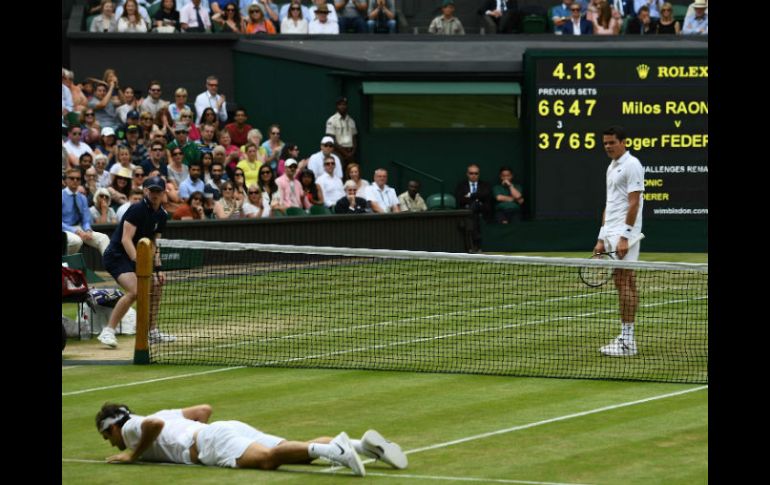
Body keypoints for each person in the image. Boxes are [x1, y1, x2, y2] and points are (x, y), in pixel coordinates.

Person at [95, 402, 408, 475]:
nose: (110, 443)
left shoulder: (133, 428)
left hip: (211, 442)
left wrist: (131, 456)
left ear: (113, 427)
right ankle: (359, 445)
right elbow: (204, 409)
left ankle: (337, 450)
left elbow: (153, 425)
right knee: (288, 450)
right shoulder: (167, 413)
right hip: (223, 430)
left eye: (106, 436)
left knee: (268, 461)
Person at [97, 176, 176, 348]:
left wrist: (158, 268)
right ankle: (108, 331)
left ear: (163, 193)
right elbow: (126, 239)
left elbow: (154, 243)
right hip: (117, 255)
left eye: (158, 191)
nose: (155, 194)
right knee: (135, 291)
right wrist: (140, 263)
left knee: (157, 283)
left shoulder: (162, 215)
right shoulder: (137, 210)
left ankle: (152, 332)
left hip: (138, 255)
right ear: (146, 191)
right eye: (152, 190)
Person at [594, 125, 645, 357]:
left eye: (612, 142)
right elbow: (611, 203)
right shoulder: (610, 167)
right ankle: (626, 337)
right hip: (612, 232)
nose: (608, 146)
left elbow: (634, 202)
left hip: (625, 235)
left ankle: (627, 342)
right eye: (605, 143)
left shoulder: (632, 165)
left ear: (624, 142)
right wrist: (601, 237)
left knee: (623, 281)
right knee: (625, 281)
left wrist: (625, 235)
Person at [62, 168, 111, 256]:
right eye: (72, 178)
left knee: (103, 238)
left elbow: (86, 220)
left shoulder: (82, 198)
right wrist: (75, 231)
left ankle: (110, 267)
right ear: (65, 180)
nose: (75, 181)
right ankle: (65, 266)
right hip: (65, 230)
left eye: (78, 179)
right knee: (76, 241)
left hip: (80, 229)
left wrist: (88, 230)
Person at [454, 163, 493, 253]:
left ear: (479, 174)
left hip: (482, 210)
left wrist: (470, 195)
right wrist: (476, 198)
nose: (473, 175)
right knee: (473, 213)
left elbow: (486, 195)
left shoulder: (485, 185)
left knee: (474, 209)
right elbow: (460, 199)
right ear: (467, 174)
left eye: (476, 173)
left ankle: (473, 246)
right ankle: (476, 245)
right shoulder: (461, 186)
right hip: (468, 211)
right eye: (471, 173)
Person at [325, 96, 358, 170]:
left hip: (350, 152)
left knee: (351, 173)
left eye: (344, 104)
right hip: (338, 152)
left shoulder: (351, 121)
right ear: (337, 106)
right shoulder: (332, 120)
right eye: (340, 105)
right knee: (340, 174)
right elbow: (332, 140)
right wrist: (345, 153)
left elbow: (354, 138)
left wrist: (352, 152)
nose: (342, 106)